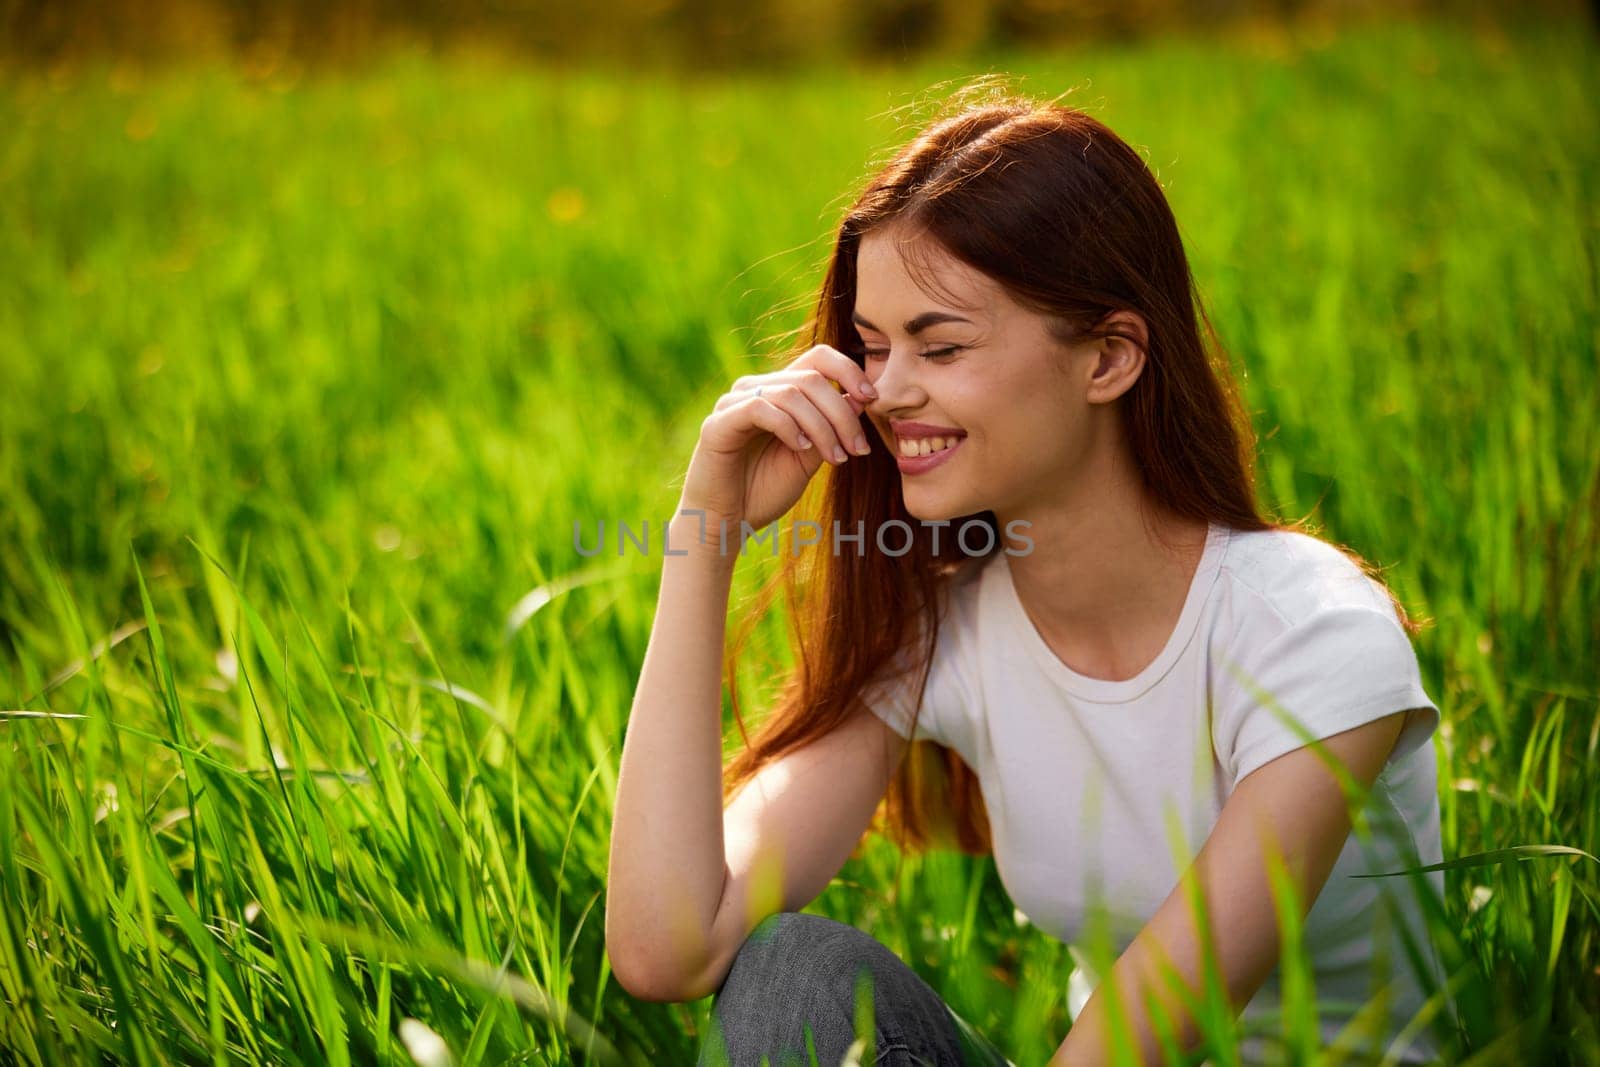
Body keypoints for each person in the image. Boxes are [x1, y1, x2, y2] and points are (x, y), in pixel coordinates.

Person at [605, 80, 1459, 1066]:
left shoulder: (1309, 631)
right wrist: (703, 524)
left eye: (942, 343)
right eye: (873, 348)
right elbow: (667, 945)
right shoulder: (947, 626)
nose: (885, 393)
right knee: (792, 971)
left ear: (1108, 357)